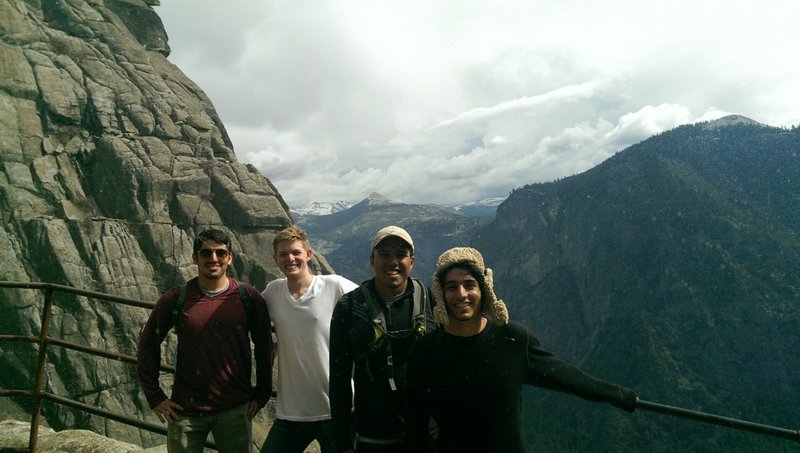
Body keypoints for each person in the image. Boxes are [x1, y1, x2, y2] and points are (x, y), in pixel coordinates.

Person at [406, 247, 638, 453]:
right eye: (451, 287)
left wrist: (618, 395)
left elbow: (566, 375)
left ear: (484, 289)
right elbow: (416, 426)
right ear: (441, 294)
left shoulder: (513, 339)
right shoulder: (425, 352)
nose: (461, 294)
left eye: (470, 285)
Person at [137, 228, 273, 452]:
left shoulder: (248, 297)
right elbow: (148, 343)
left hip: (235, 409)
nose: (213, 259)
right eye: (206, 253)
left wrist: (263, 393)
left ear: (229, 258)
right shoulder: (176, 298)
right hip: (185, 411)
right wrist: (155, 396)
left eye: (220, 253)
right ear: (194, 257)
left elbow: (265, 347)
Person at [329, 225, 437, 452]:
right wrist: (342, 442)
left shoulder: (432, 301)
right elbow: (339, 380)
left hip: (427, 435)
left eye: (400, 255)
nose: (393, 262)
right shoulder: (349, 307)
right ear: (372, 260)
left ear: (412, 261)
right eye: (384, 254)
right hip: (373, 436)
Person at [261, 226, 358, 453]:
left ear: (309, 254)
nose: (290, 258)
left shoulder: (334, 286)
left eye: (296, 252)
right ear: (275, 259)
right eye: (283, 254)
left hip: (336, 410)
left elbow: (371, 303)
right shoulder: (273, 292)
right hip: (291, 412)